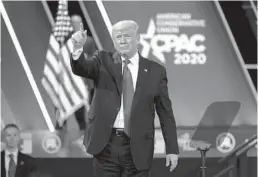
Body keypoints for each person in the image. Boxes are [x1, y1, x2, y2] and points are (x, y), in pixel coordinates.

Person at [70, 20, 179, 177]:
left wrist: (172, 149)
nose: (122, 40)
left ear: (138, 38)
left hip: (138, 146)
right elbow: (81, 67)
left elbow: (165, 113)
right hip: (105, 145)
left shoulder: (156, 71)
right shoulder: (102, 60)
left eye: (127, 36)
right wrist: (77, 48)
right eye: (118, 37)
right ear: (114, 41)